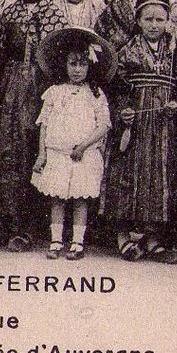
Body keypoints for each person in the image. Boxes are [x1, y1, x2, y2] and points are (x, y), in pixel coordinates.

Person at [0, 0, 68, 251]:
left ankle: (27, 227)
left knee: (35, 150)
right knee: (7, 150)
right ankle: (3, 221)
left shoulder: (55, 14)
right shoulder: (10, 12)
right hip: (11, 86)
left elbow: (59, 59)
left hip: (40, 87)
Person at [104, 0, 177, 263]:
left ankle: (153, 239)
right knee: (129, 174)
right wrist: (123, 111)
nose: (154, 25)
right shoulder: (126, 51)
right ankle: (124, 237)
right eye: (148, 19)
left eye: (159, 20)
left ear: (167, 22)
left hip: (163, 125)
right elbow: (116, 87)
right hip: (135, 123)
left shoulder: (176, 53)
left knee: (159, 175)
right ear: (138, 20)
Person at [32, 26, 115, 261]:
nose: (77, 70)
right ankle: (56, 240)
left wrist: (84, 146)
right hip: (57, 153)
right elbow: (44, 124)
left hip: (84, 154)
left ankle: (77, 242)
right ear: (64, 65)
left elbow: (103, 125)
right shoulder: (54, 92)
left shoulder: (95, 94)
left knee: (80, 198)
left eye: (82, 65)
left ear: (91, 67)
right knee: (57, 197)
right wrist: (42, 154)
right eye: (72, 64)